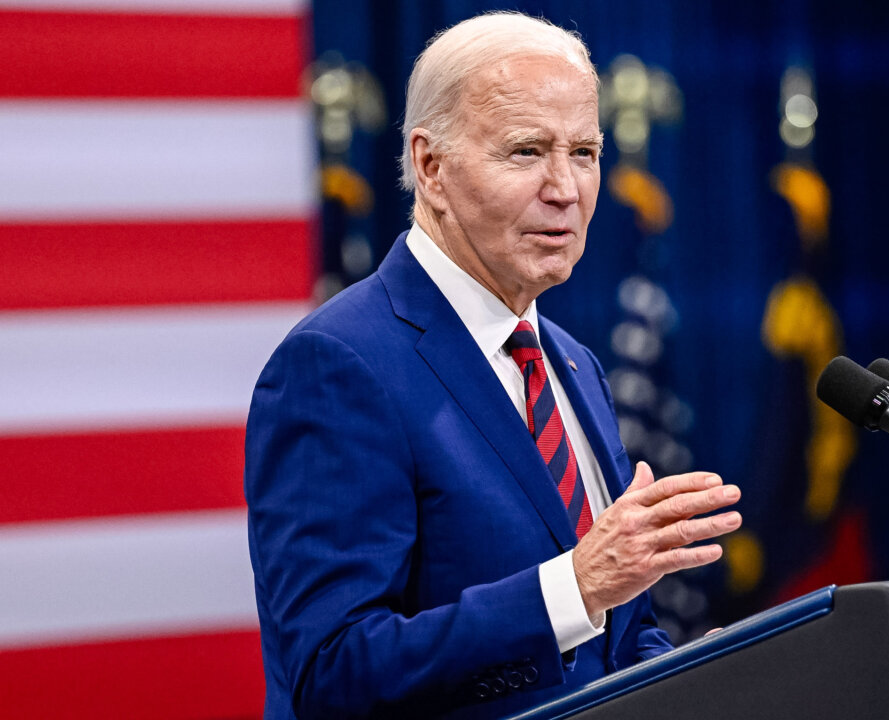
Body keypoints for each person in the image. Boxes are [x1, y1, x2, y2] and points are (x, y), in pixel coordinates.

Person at [244, 11, 742, 719]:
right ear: (430, 166)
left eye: (584, 152)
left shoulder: (572, 364)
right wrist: (570, 588)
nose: (566, 189)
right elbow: (330, 675)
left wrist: (694, 676)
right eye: (526, 151)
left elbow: (616, 634)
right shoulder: (338, 365)